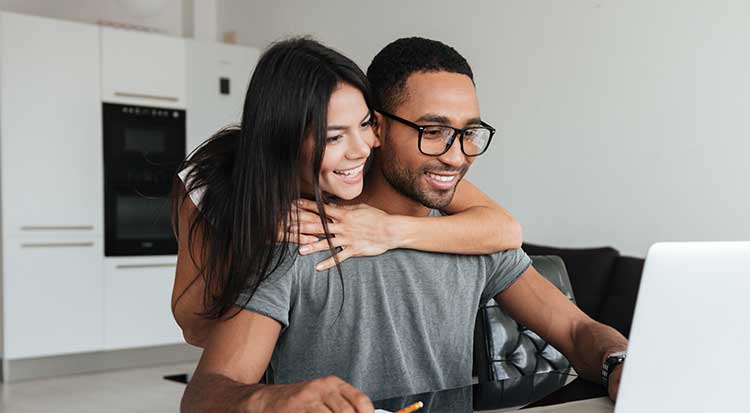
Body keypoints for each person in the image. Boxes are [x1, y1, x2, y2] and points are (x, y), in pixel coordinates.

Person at [179, 37, 628, 413]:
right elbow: (205, 395)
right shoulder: (299, 235)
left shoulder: (472, 240)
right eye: (432, 131)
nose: (456, 155)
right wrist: (266, 400)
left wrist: (619, 364)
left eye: (468, 132)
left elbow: (576, 331)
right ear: (380, 128)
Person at [171, 37, 523, 348]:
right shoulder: (212, 184)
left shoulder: (371, 158)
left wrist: (385, 230)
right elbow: (194, 328)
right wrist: (254, 234)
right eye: (334, 136)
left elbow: (505, 229)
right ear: (286, 140)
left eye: (366, 123)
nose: (363, 148)